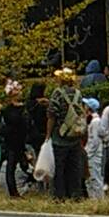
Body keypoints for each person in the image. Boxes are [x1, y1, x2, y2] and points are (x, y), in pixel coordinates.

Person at [47, 67, 88, 200]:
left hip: (60, 136)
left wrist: (48, 135)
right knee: (74, 167)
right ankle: (75, 194)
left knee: (60, 168)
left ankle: (60, 195)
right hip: (75, 135)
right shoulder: (78, 93)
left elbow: (52, 115)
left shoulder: (57, 94)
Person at [0, 81, 28, 197]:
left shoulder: (14, 109)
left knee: (21, 166)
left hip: (17, 140)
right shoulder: (8, 110)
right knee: (12, 167)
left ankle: (18, 189)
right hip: (14, 140)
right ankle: (13, 192)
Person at [84, 98, 105, 199]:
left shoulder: (96, 121)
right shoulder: (91, 120)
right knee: (89, 178)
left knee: (95, 177)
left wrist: (88, 154)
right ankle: (92, 198)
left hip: (94, 155)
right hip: (91, 153)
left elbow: (95, 140)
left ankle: (98, 199)